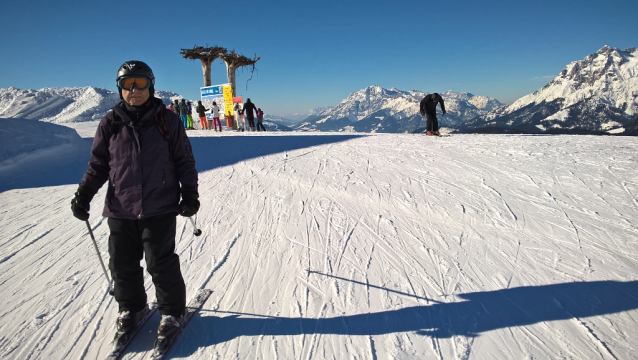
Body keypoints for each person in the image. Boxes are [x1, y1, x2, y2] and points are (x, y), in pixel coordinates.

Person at [70, 60, 199, 343]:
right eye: (127, 85)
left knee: (160, 263)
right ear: (119, 89)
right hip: (121, 207)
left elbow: (184, 161)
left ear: (150, 86)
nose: (134, 90)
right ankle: (131, 308)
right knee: (122, 263)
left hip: (160, 205)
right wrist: (84, 194)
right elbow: (98, 165)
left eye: (140, 83)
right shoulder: (111, 122)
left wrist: (190, 193)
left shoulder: (167, 121)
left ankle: (171, 312)